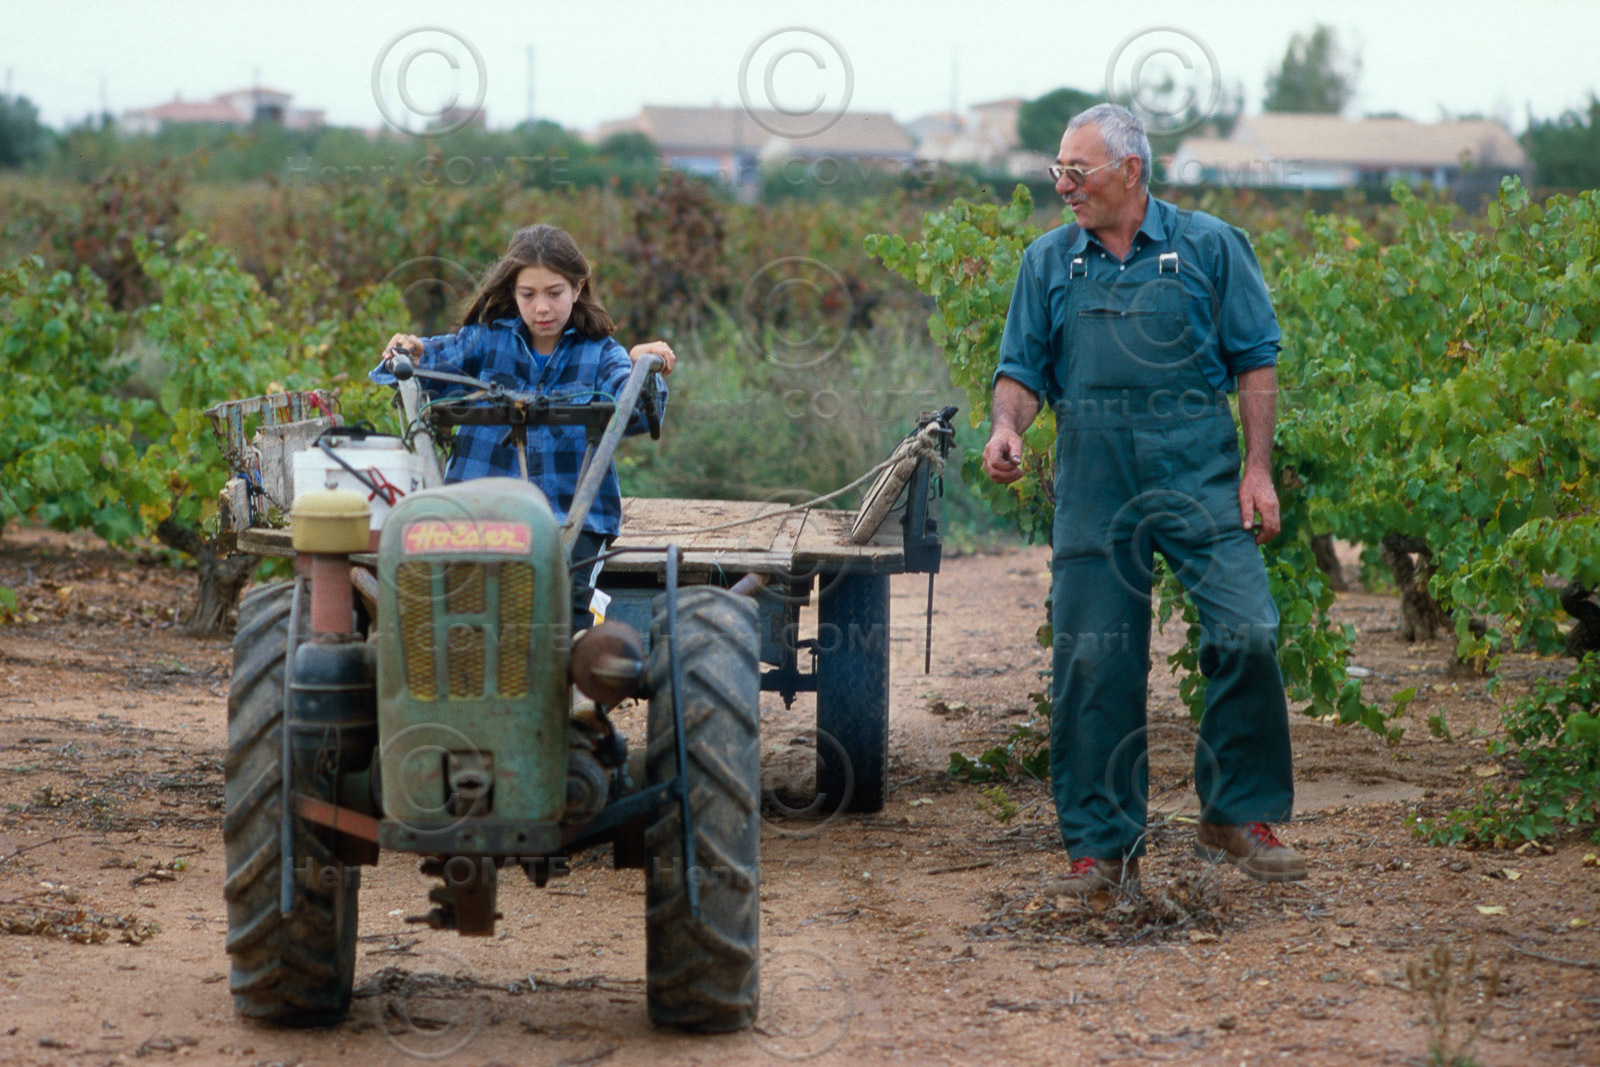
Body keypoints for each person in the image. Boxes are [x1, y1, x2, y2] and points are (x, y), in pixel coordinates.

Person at [982, 103, 1304, 893]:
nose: (1063, 186)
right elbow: (1022, 372)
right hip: (1095, 488)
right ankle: (1102, 850)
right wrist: (1006, 427)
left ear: (1131, 170)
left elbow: (1256, 365)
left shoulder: (1210, 247)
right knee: (1095, 663)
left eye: (1077, 171)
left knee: (1249, 630)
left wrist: (1256, 471)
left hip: (1197, 477)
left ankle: (1233, 815)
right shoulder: (1048, 262)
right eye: (1056, 170)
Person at [372, 223, 676, 632]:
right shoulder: (484, 343)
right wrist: (410, 350)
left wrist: (643, 366)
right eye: (528, 295)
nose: (542, 309)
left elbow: (635, 407)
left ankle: (565, 682)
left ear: (578, 287)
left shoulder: (602, 354)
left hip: (573, 517)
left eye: (554, 293)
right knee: (459, 609)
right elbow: (425, 365)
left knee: (565, 609)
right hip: (481, 514)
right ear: (513, 294)